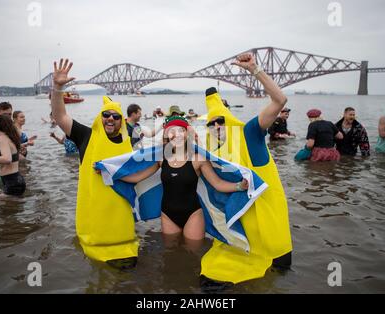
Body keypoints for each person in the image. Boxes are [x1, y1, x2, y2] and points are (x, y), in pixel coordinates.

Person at [200, 52, 292, 288]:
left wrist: (254, 70)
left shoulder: (248, 134)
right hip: (242, 231)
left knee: (280, 275)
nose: (217, 125)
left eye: (221, 121)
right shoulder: (210, 150)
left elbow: (279, 100)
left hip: (270, 224)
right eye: (212, 123)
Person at [50, 58, 138, 269]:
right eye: (105, 115)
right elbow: (60, 116)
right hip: (95, 220)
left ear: (121, 120)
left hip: (121, 219)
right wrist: (58, 88)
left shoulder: (129, 142)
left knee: (129, 272)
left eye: (115, 116)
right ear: (100, 117)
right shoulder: (86, 136)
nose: (110, 119)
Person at [109, 116, 248, 240]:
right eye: (172, 132)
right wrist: (111, 173)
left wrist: (240, 186)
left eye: (181, 131)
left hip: (193, 214)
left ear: (187, 133)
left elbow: (217, 184)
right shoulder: (161, 159)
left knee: (193, 252)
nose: (177, 135)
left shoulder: (198, 159)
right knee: (171, 251)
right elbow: (138, 177)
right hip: (167, 215)